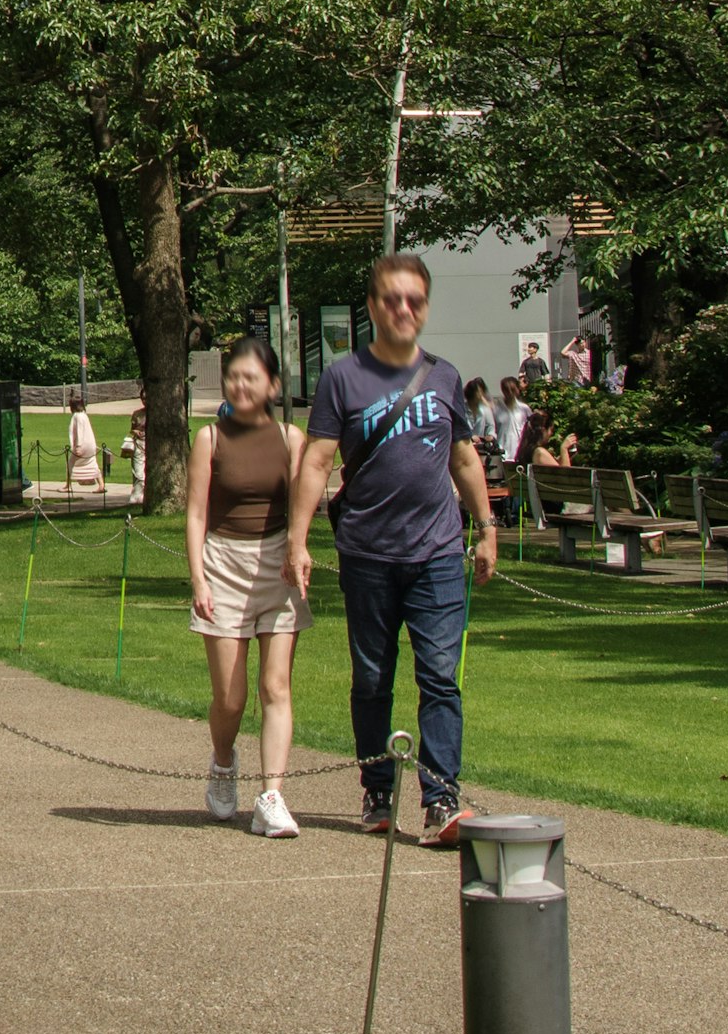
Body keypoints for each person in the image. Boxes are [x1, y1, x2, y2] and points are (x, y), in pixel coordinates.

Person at [286, 252, 498, 847]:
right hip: (368, 554)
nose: (404, 309)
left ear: (425, 307)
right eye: (392, 300)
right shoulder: (342, 378)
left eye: (415, 301)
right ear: (373, 307)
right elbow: (317, 462)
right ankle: (378, 790)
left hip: (436, 554)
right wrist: (299, 542)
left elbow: (462, 458)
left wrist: (485, 526)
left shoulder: (445, 376)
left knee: (440, 677)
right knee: (373, 678)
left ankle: (441, 801)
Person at [186, 335, 309, 840]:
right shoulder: (209, 439)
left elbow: (304, 504)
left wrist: (299, 549)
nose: (240, 384)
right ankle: (222, 761)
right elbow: (195, 513)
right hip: (223, 565)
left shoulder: (291, 438)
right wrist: (198, 576)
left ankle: (272, 797)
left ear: (272, 385)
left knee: (276, 686)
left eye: (251, 377)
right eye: (233, 375)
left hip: (277, 565)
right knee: (231, 698)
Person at [62, 387, 106, 492]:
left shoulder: (77, 416)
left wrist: (78, 446)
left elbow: (79, 432)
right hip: (90, 444)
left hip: (83, 445)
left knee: (71, 463)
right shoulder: (84, 415)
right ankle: (101, 485)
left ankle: (68, 486)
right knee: (93, 464)